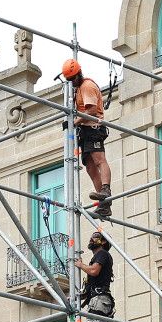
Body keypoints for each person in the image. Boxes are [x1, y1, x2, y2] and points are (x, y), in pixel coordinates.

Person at [62, 59, 113, 218]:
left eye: (73, 79)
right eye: (69, 80)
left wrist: (74, 123)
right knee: (90, 166)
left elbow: (90, 111)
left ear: (79, 74)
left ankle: (106, 189)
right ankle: (104, 204)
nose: (72, 82)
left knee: (99, 159)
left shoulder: (87, 87)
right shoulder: (77, 89)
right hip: (85, 130)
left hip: (93, 128)